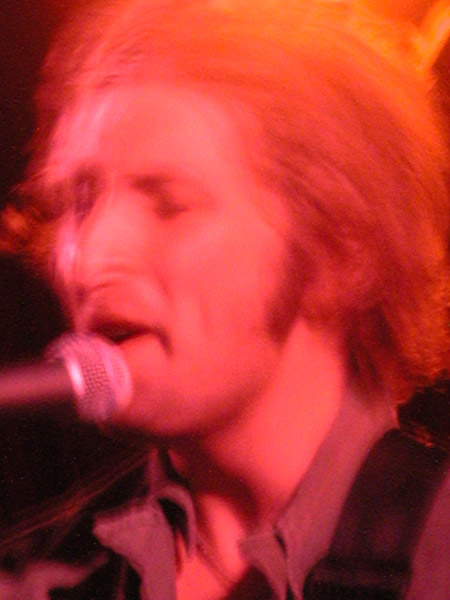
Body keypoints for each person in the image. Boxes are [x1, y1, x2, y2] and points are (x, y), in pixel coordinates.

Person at [1, 0, 450, 598]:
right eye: (80, 202)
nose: (88, 258)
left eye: (169, 204)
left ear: (340, 250)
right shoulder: (36, 580)